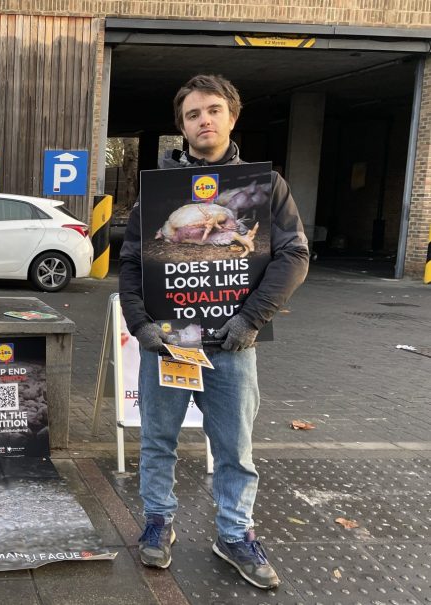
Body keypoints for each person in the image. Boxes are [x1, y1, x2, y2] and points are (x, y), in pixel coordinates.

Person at [119, 74, 309, 589]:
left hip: (232, 344)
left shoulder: (267, 186)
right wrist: (140, 323)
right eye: (192, 114)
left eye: (213, 110)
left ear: (232, 116)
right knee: (158, 439)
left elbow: (294, 254)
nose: (204, 120)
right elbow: (132, 261)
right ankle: (158, 521)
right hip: (170, 343)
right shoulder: (158, 192)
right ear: (181, 126)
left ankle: (234, 533)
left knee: (234, 446)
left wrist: (250, 319)